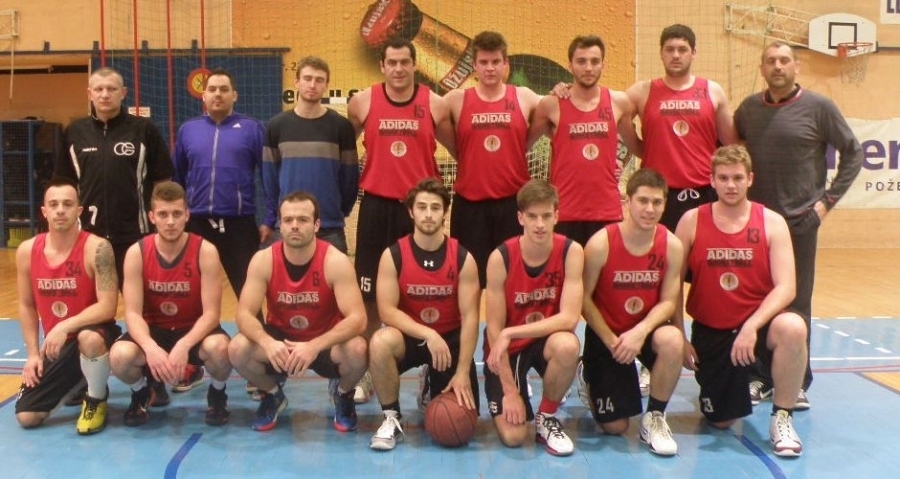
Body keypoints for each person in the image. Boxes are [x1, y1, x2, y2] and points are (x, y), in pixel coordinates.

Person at [734, 41, 863, 409]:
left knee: (796, 302)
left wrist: (826, 203)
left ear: (796, 67)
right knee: (755, 299)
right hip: (756, 223)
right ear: (762, 68)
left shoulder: (820, 107)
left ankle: (797, 381)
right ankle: (759, 377)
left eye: (784, 60)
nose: (778, 66)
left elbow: (853, 152)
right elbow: (733, 147)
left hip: (800, 222)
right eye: (771, 61)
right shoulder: (748, 109)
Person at [674, 145, 808, 457]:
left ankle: (782, 417)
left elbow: (787, 287)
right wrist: (680, 335)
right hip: (714, 330)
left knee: (793, 327)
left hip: (758, 327)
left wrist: (751, 326)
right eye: (723, 178)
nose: (731, 185)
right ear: (712, 181)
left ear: (750, 179)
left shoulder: (772, 222)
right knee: (721, 421)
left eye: (737, 178)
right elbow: (672, 285)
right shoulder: (692, 220)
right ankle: (732, 389)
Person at [347, 37, 456, 404]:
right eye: (391, 62)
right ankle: (367, 370)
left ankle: (429, 366)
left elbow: (460, 150)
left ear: (414, 65)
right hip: (376, 208)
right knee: (368, 296)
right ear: (382, 65)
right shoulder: (363, 102)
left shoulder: (435, 104)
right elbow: (344, 149)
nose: (398, 69)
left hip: (420, 212)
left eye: (404, 62)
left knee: (423, 290)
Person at [228, 191, 368, 433]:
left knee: (358, 349)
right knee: (237, 348)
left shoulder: (335, 261)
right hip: (281, 343)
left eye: (302, 219)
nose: (295, 225)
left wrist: (314, 346)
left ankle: (343, 394)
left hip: (324, 342)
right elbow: (244, 315)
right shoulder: (263, 260)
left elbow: (358, 319)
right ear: (280, 225)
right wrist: (267, 343)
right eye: (288, 220)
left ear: (316, 225)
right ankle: (272, 395)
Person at [577, 168, 684, 456]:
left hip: (645, 330)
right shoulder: (601, 243)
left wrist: (640, 331)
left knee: (673, 340)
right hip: (608, 333)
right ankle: (588, 372)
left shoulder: (672, 246)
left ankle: (655, 417)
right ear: (628, 202)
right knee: (615, 427)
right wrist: (611, 340)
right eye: (643, 201)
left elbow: (668, 302)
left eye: (657, 202)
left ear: (665, 204)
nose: (650, 209)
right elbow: (583, 300)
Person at [369, 178, 481, 451]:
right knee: (380, 342)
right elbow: (386, 311)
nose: (428, 214)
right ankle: (391, 417)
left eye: (435, 207)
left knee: (464, 420)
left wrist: (463, 371)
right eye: (421, 207)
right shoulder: (393, 255)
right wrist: (428, 334)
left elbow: (470, 318)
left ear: (445, 213)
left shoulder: (463, 258)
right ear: (411, 211)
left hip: (449, 342)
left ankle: (433, 378)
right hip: (412, 336)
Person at [174, 67, 267, 393]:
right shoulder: (188, 130)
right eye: (212, 89)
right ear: (203, 94)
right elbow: (178, 178)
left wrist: (269, 218)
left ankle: (259, 369)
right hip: (198, 225)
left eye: (224, 89)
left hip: (240, 224)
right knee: (192, 299)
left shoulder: (252, 129)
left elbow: (267, 175)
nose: (217, 94)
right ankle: (192, 365)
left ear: (234, 95)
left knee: (249, 297)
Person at [109, 181, 232, 427]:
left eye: (177, 214)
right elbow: (132, 313)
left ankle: (217, 393)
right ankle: (141, 392)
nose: (170, 222)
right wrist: (150, 347)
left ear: (187, 215)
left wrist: (184, 345)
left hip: (193, 329)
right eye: (163, 215)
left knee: (221, 349)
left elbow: (211, 314)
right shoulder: (136, 252)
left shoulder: (205, 251)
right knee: (120, 356)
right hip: (154, 329)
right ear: (152, 217)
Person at [483, 179, 583, 457]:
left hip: (543, 342)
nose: (540, 224)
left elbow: (569, 319)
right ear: (520, 218)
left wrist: (511, 332)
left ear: (557, 216)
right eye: (532, 216)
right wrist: (509, 391)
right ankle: (517, 385)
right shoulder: (500, 257)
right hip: (508, 351)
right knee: (514, 437)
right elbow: (494, 331)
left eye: (546, 216)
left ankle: (546, 417)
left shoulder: (571, 251)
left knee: (568, 345)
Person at [14, 177, 121, 435]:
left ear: (79, 210)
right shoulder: (27, 251)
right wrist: (33, 354)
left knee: (89, 339)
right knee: (27, 416)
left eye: (67, 204)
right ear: (44, 211)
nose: (60, 210)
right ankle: (81, 379)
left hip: (93, 334)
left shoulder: (98, 248)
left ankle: (96, 397)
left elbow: (108, 307)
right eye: (54, 204)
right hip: (57, 346)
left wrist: (64, 326)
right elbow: (26, 305)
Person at [55, 66, 174, 288]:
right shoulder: (74, 132)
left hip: (135, 235)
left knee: (140, 300)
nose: (105, 94)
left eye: (111, 89)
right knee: (92, 301)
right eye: (99, 89)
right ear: (89, 93)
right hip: (88, 236)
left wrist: (161, 222)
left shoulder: (144, 130)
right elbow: (63, 185)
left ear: (123, 93)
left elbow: (163, 182)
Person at [444, 31, 541, 287]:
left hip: (513, 205)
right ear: (474, 65)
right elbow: (424, 118)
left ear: (505, 63)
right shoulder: (456, 100)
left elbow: (559, 110)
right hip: (469, 208)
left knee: (513, 280)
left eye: (496, 62)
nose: (490, 68)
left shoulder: (524, 96)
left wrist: (563, 89)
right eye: (484, 62)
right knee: (470, 282)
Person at [529, 34, 640, 247]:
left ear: (603, 65)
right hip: (564, 212)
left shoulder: (619, 102)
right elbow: (521, 146)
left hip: (607, 211)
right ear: (570, 65)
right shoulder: (551, 105)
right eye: (581, 61)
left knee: (605, 270)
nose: (588, 68)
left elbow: (637, 147)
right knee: (567, 268)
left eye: (594, 61)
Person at [626, 24, 736, 233]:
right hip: (658, 194)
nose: (676, 55)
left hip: (705, 192)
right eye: (670, 49)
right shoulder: (642, 91)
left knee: (702, 252)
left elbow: (731, 143)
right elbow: (609, 112)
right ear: (661, 53)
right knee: (661, 252)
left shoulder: (713, 91)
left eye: (682, 49)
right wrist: (571, 91)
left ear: (693, 53)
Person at [263, 56, 359, 253]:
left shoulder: (341, 127)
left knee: (337, 274)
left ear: (326, 85)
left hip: (329, 226)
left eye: (319, 80)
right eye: (307, 78)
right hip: (288, 225)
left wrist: (336, 211)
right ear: (297, 82)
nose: (312, 85)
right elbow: (270, 180)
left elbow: (350, 180)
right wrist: (283, 213)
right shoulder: (276, 126)